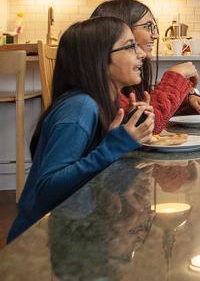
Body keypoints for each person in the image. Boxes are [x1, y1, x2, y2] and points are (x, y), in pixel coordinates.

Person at [8, 17, 155, 242]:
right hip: (37, 241)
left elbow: (96, 181)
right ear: (98, 58)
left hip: (73, 228)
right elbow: (47, 190)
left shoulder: (102, 106)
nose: (142, 54)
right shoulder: (79, 108)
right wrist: (113, 147)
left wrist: (130, 135)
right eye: (130, 46)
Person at [92, 0, 200, 133]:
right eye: (148, 26)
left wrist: (187, 100)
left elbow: (145, 106)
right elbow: (147, 128)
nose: (156, 35)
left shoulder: (125, 83)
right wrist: (175, 77)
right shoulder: (97, 95)